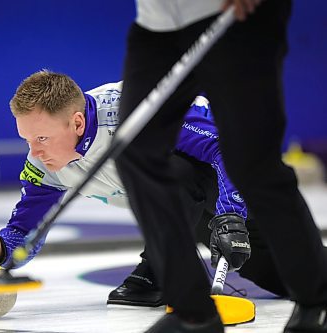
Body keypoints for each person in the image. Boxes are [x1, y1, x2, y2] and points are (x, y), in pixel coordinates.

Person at [0, 70, 313, 304]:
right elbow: (25, 232)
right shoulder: (44, 164)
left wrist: (231, 214)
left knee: (311, 278)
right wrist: (0, 247)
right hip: (184, 211)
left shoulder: (137, 113)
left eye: (43, 138)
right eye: (27, 139)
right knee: (287, 279)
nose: (34, 152)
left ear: (77, 122)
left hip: (237, 184)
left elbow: (225, 148)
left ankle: (159, 268)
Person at [114, 0, 327, 332]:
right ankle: (194, 312)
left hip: (233, 15)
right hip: (157, 23)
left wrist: (230, 213)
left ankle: (317, 300)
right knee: (135, 151)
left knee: (251, 162)